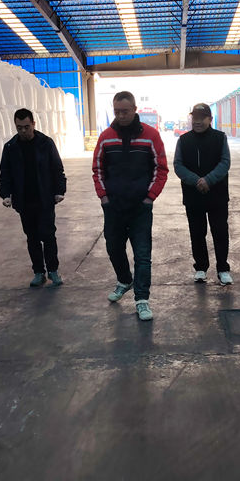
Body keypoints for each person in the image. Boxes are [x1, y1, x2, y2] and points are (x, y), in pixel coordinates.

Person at [92, 91, 168, 321]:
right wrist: (104, 197)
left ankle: (142, 299)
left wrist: (149, 197)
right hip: (113, 207)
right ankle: (125, 280)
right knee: (114, 248)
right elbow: (97, 169)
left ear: (135, 109)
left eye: (125, 111)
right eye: (117, 111)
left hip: (140, 208)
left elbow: (161, 169)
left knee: (142, 255)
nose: (121, 115)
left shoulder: (151, 136)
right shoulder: (106, 137)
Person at [0, 108, 66, 287]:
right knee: (32, 237)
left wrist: (60, 190)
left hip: (44, 198)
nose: (23, 131)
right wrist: (5, 194)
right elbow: (5, 173)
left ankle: (53, 270)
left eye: (26, 127)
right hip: (24, 200)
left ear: (33, 124)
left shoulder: (46, 143)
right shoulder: (10, 147)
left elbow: (57, 168)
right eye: (19, 127)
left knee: (48, 235)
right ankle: (38, 272)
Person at [174, 103, 232, 285]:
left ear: (210, 119)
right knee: (197, 233)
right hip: (193, 196)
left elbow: (225, 162)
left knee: (220, 232)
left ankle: (223, 269)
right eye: (195, 118)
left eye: (202, 118)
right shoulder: (184, 140)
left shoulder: (220, 138)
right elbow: (178, 165)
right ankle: (200, 268)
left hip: (217, 195)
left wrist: (208, 180)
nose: (197, 122)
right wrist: (196, 180)